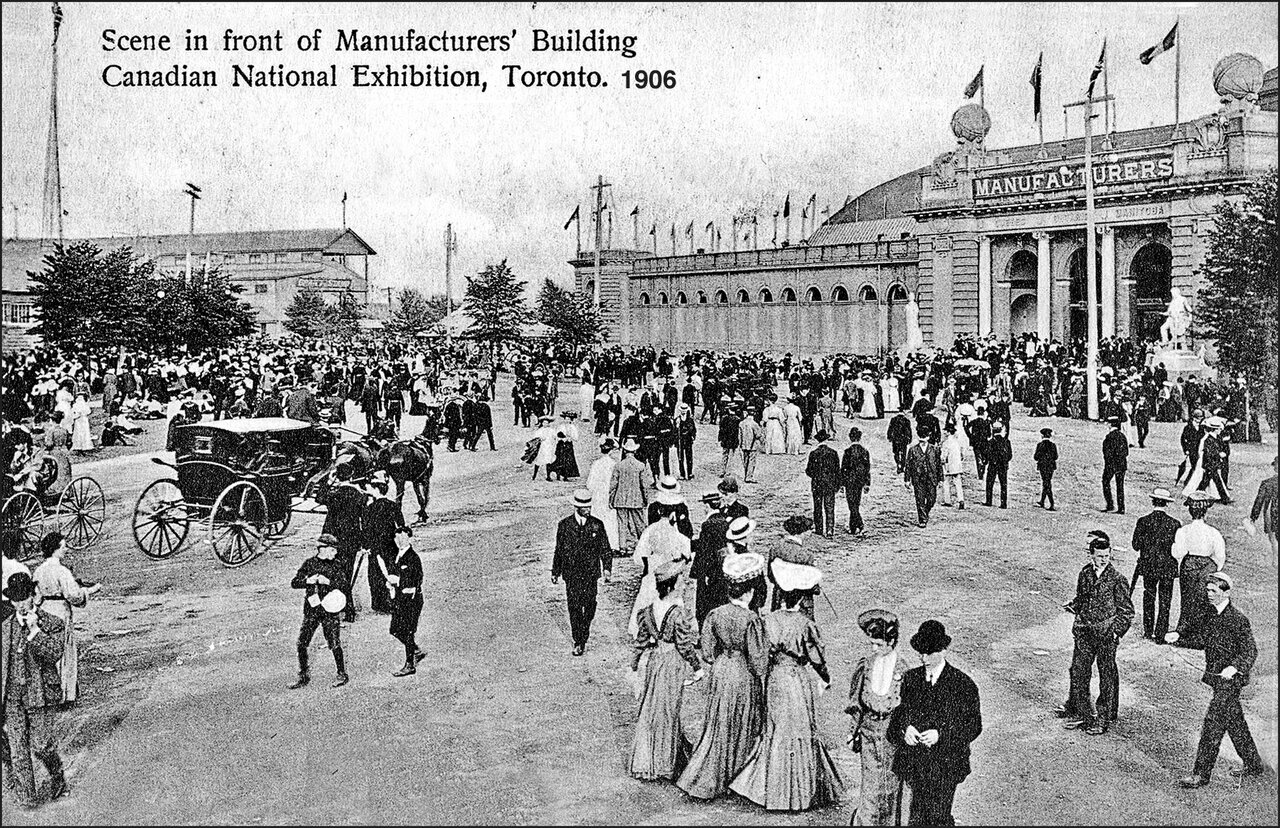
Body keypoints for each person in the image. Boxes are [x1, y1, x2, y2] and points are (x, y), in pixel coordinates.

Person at [729, 559, 845, 811]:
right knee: (800, 729)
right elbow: (817, 658)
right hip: (797, 678)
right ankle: (800, 793)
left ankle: (773, 792)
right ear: (801, 599)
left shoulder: (766, 621)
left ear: (779, 596)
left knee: (777, 729)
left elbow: (759, 656)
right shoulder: (805, 624)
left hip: (775, 678)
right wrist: (826, 678)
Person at [676, 552, 769, 801]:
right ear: (748, 592)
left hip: (720, 669)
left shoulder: (715, 614)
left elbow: (706, 651)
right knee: (743, 721)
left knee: (719, 721)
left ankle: (710, 774)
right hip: (741, 671)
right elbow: (759, 661)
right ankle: (737, 775)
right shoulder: (752, 619)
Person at [1177, 572, 1270, 788]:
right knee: (1234, 720)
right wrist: (1179, 636)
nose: (1209, 594)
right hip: (1217, 678)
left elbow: (1250, 651)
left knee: (1213, 724)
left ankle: (1200, 774)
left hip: (1231, 680)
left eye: (1213, 591)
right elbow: (1201, 639)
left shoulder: (1238, 619)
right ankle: (1254, 764)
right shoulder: (1210, 615)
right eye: (1207, 590)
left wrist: (1234, 667)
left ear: (1225, 592)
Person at [888, 620, 982, 826]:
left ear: (944, 651)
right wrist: (906, 730)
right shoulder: (911, 679)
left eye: (930, 653)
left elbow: (973, 725)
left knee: (938, 815)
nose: (924, 658)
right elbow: (898, 716)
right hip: (914, 763)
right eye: (921, 653)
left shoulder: (962, 684)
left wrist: (941, 735)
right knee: (916, 815)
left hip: (946, 763)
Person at [628, 560, 703, 782]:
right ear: (670, 586)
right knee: (669, 710)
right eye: (680, 581)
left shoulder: (648, 611)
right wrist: (697, 666)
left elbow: (641, 642)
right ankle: (665, 762)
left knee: (652, 709)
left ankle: (651, 759)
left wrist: (634, 664)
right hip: (672, 663)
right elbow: (684, 645)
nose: (684, 584)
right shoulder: (678, 614)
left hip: (654, 661)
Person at [1, 571, 70, 806]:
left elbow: (53, 654)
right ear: (10, 601)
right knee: (18, 749)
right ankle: (28, 800)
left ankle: (56, 774)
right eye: (16, 600)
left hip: (38, 695)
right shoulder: (4, 628)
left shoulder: (52, 623)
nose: (21, 604)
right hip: (12, 697)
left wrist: (34, 632)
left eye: (25, 598)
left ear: (34, 596)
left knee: (41, 745)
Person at [1058, 535, 1133, 735]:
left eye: (1107, 556)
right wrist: (1073, 606)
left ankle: (1103, 718)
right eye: (1100, 556)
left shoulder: (1117, 579)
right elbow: (1082, 598)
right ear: (1091, 555)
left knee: (1106, 676)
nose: (1104, 559)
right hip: (1084, 631)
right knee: (1078, 670)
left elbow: (1126, 611)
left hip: (1106, 635)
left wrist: (1117, 632)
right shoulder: (1085, 574)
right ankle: (1081, 712)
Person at [847, 609, 905, 826]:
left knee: (891, 786)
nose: (874, 649)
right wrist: (853, 732)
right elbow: (856, 702)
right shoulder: (866, 665)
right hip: (869, 734)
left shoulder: (904, 669)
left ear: (891, 641)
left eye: (879, 644)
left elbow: (907, 708)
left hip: (892, 737)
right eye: (872, 643)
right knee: (870, 788)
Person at [31, 532, 101, 704]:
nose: (65, 550)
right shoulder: (62, 571)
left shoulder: (38, 571)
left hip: (45, 609)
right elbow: (73, 595)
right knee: (64, 650)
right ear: (55, 550)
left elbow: (36, 597)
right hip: (61, 610)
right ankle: (66, 693)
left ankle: (50, 693)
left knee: (48, 650)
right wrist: (91, 590)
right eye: (63, 547)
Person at [551, 490, 612, 657]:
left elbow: (605, 548)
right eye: (584, 507)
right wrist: (555, 571)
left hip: (591, 573)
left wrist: (607, 568)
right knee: (575, 607)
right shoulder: (564, 525)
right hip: (571, 574)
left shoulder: (597, 525)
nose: (588, 510)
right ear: (577, 507)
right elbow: (559, 550)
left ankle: (584, 630)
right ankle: (579, 640)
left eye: (589, 506)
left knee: (590, 605)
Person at [287, 534, 349, 689]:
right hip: (312, 610)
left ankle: (341, 673)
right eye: (333, 550)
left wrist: (328, 582)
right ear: (323, 549)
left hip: (330, 610)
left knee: (334, 643)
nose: (335, 553)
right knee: (302, 643)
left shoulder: (337, 564)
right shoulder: (309, 564)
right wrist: (309, 580)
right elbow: (295, 582)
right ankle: (303, 675)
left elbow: (344, 585)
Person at [1166, 492, 1226, 649]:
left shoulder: (1184, 531)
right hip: (1208, 566)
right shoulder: (1213, 532)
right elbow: (1220, 556)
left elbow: (1177, 552)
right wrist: (1211, 568)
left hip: (1189, 565)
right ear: (1205, 512)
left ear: (1190, 511)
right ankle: (1203, 636)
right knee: (1206, 600)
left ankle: (1185, 632)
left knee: (1188, 600)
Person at [629, 502, 692, 635]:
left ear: (659, 512)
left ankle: (648, 630)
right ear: (672, 514)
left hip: (653, 567)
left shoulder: (651, 529)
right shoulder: (674, 531)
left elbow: (640, 554)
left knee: (649, 596)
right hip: (670, 569)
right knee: (671, 597)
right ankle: (669, 629)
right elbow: (687, 552)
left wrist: (648, 565)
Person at [1130, 487, 1181, 642]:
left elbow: (1135, 545)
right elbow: (1177, 549)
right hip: (1167, 567)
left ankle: (1148, 630)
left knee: (1149, 596)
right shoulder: (1174, 524)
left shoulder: (1143, 521)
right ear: (1166, 504)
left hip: (1149, 566)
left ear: (1153, 501)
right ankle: (1160, 634)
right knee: (1165, 599)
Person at [360, 471, 403, 615]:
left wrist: (365, 546)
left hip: (375, 546)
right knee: (392, 570)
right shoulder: (393, 505)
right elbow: (401, 526)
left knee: (375, 574)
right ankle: (393, 601)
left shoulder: (369, 509)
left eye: (372, 488)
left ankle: (378, 602)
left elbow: (366, 529)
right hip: (391, 545)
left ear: (377, 490)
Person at [386, 525, 426, 677]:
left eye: (402, 537)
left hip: (412, 600)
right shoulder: (398, 555)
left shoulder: (413, 557)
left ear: (409, 537)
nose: (399, 540)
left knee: (408, 631)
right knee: (395, 630)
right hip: (400, 599)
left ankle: (410, 664)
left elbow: (417, 578)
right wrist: (390, 583)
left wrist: (399, 580)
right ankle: (415, 650)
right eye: (397, 537)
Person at [690, 492, 731, 626]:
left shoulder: (708, 524)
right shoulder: (724, 521)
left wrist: (699, 572)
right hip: (722, 567)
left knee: (704, 603)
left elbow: (704, 550)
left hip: (709, 570)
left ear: (708, 506)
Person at [610, 437, 653, 558]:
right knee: (640, 523)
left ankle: (623, 547)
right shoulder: (640, 466)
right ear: (634, 451)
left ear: (624, 451)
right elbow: (644, 485)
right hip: (636, 499)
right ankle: (645, 545)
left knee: (622, 524)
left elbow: (613, 484)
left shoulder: (619, 465)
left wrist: (611, 498)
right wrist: (646, 499)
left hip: (621, 498)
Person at [585, 437, 621, 556]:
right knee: (610, 519)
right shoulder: (614, 465)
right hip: (609, 495)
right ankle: (612, 545)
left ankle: (596, 544)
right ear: (611, 451)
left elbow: (589, 484)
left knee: (597, 518)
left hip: (597, 495)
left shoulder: (596, 464)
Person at [903, 428, 942, 528]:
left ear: (928, 437)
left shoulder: (935, 449)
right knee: (919, 499)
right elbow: (908, 465)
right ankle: (922, 519)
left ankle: (925, 511)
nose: (922, 439)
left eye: (924, 437)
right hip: (918, 478)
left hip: (931, 478)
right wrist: (907, 480)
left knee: (931, 499)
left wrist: (941, 479)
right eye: (921, 437)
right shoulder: (913, 450)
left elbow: (938, 465)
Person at [805, 430, 841, 538]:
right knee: (829, 507)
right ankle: (830, 529)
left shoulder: (813, 453)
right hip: (830, 483)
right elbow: (837, 471)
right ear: (826, 440)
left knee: (817, 507)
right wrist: (837, 484)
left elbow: (808, 471)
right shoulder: (833, 453)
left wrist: (816, 476)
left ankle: (819, 529)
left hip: (817, 483)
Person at [1248, 456, 1278, 569]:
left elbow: (1259, 501)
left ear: (1275, 468)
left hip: (1272, 512)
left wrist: (1253, 517)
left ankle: (1276, 559)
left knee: (1273, 538)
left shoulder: (1267, 483)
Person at [841, 426, 871, 536]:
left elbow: (843, 469)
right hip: (860, 481)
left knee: (851, 504)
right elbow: (867, 469)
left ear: (850, 438)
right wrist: (867, 483)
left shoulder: (847, 452)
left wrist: (841, 483)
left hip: (849, 482)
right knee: (856, 503)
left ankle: (859, 525)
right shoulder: (864, 451)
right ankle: (854, 527)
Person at [1101, 416, 1129, 514]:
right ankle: (1121, 508)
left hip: (1111, 465)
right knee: (1120, 486)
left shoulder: (1109, 437)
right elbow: (1126, 452)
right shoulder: (1122, 436)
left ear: (1110, 425)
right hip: (1121, 465)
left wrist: (1109, 462)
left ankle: (1110, 504)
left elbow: (1106, 453)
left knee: (1105, 482)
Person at [984, 421, 1012, 509]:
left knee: (989, 483)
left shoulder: (991, 442)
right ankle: (1003, 503)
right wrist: (1005, 461)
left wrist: (989, 460)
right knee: (1003, 484)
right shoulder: (1006, 441)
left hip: (993, 465)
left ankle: (989, 501)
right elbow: (1010, 455)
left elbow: (987, 454)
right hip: (1003, 465)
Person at [939, 424, 965, 510]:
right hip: (957, 465)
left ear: (949, 432)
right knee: (958, 483)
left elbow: (943, 456)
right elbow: (962, 454)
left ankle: (948, 500)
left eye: (946, 431)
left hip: (949, 465)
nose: (944, 432)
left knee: (946, 482)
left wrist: (941, 461)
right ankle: (961, 500)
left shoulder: (946, 443)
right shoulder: (957, 442)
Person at [548, 416, 581, 481]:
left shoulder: (572, 427)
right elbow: (556, 435)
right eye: (565, 419)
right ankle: (559, 474)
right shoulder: (561, 426)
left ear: (571, 420)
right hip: (560, 444)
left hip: (568, 445)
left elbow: (576, 437)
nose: (566, 420)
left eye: (568, 419)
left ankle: (567, 475)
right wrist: (561, 438)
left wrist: (570, 437)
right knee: (560, 459)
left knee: (568, 459)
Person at [1033, 427, 1058, 510]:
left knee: (1046, 484)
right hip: (1051, 466)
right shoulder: (1053, 445)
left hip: (1042, 466)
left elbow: (1036, 457)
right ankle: (1042, 501)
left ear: (1042, 436)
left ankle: (1051, 503)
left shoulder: (1040, 445)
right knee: (1046, 483)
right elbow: (1056, 457)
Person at [530, 415, 559, 480]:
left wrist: (554, 439)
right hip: (542, 448)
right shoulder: (539, 430)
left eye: (546, 423)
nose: (545, 424)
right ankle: (534, 475)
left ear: (549, 424)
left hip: (549, 447)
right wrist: (540, 439)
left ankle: (548, 476)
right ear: (542, 423)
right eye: (544, 423)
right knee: (539, 461)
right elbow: (535, 438)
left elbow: (555, 437)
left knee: (548, 461)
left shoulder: (551, 430)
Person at [738, 410, 763, 484]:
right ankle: (749, 476)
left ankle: (746, 474)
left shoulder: (741, 423)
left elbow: (739, 435)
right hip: (753, 445)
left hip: (744, 444)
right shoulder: (754, 424)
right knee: (752, 461)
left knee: (745, 460)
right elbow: (758, 435)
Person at [674, 402, 698, 480]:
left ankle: (690, 473)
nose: (683, 411)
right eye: (682, 410)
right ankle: (682, 474)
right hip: (680, 441)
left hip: (688, 441)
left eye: (685, 410)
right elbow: (674, 431)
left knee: (689, 457)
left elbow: (694, 429)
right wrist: (677, 427)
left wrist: (693, 436)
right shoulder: (677, 419)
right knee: (680, 458)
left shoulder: (690, 419)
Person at [718, 404, 742, 478]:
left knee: (724, 455)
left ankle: (722, 471)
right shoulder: (737, 419)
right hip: (733, 440)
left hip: (725, 439)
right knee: (731, 456)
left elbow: (721, 429)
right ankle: (728, 471)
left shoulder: (724, 418)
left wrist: (720, 438)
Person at [887, 411, 913, 476]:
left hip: (895, 440)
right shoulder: (907, 420)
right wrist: (910, 438)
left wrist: (889, 437)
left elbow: (890, 429)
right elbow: (909, 431)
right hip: (904, 440)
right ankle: (902, 466)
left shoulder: (893, 419)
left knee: (896, 452)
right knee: (904, 453)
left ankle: (898, 463)